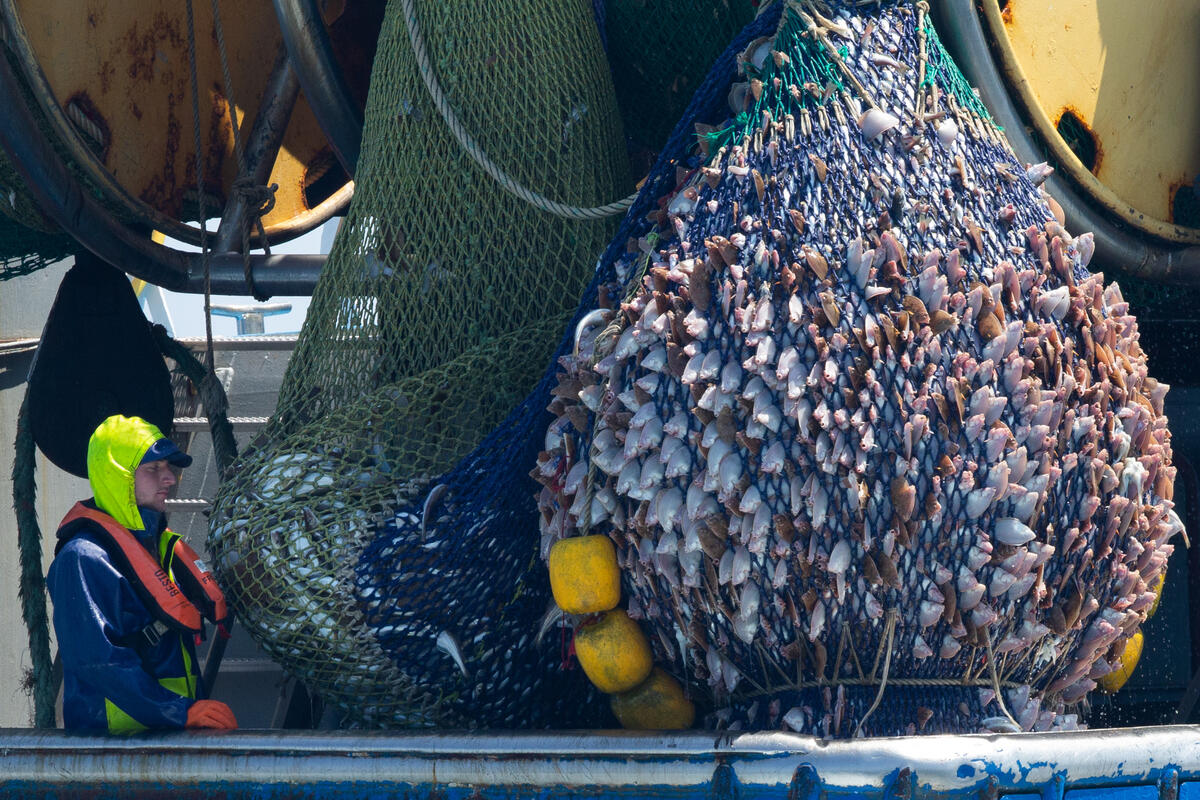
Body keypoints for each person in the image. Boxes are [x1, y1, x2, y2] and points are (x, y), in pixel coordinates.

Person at [47, 414, 238, 733]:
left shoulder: (157, 547)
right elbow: (99, 661)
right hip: (112, 755)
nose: (170, 479)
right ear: (118, 476)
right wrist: (180, 711)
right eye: (153, 469)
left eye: (168, 468)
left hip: (165, 740)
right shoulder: (82, 559)